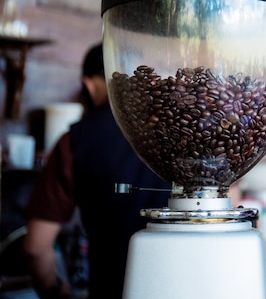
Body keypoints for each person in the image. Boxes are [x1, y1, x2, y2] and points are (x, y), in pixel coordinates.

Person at [23, 43, 171, 299]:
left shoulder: (75, 141)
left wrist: (54, 291)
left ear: (89, 85)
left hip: (111, 290)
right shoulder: (186, 131)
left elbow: (36, 246)